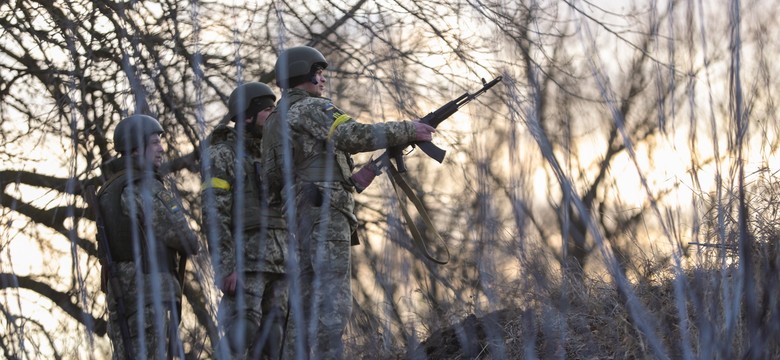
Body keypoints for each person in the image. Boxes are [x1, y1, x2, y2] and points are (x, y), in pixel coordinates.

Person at [262, 45, 436, 359]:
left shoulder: (276, 119)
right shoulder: (311, 108)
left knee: (305, 301)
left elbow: (283, 179)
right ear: (307, 74)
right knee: (333, 300)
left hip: (301, 217)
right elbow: (353, 135)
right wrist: (410, 129)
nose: (323, 79)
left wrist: (355, 178)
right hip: (325, 215)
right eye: (319, 73)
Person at [97, 114, 200, 359]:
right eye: (154, 143)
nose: (161, 149)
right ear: (135, 148)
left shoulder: (109, 188)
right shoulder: (144, 186)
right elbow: (183, 236)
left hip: (122, 297)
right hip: (148, 296)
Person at [201, 82, 288, 359]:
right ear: (247, 116)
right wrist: (226, 266)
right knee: (244, 331)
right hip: (245, 262)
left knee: (274, 338)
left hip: (281, 262)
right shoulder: (223, 155)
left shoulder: (274, 153)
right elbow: (214, 214)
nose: (274, 116)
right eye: (267, 111)